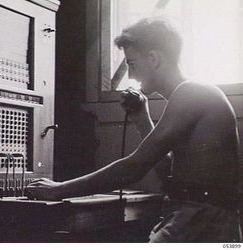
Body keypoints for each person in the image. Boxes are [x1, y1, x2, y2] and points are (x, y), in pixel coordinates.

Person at [25, 18, 242, 242]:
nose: (130, 75)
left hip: (202, 220)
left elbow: (135, 167)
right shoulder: (187, 95)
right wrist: (142, 119)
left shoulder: (192, 92)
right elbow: (168, 175)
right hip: (193, 216)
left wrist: (59, 189)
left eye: (132, 64)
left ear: (154, 59)